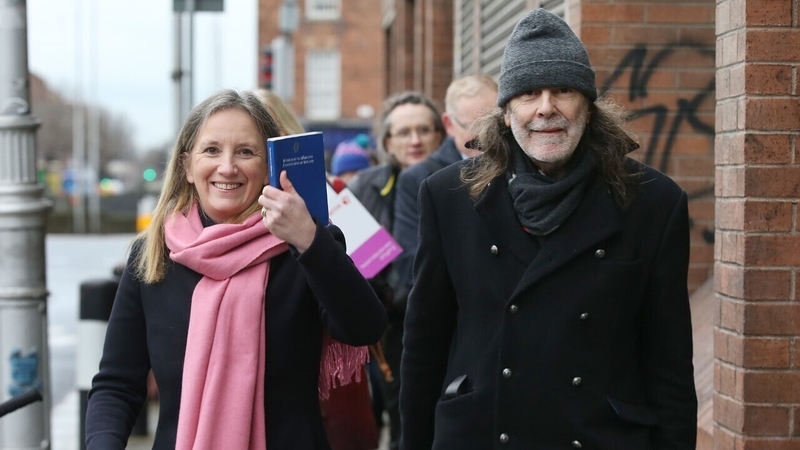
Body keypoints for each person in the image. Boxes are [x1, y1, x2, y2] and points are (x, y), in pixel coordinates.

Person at [400, 8, 697, 450]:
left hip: (599, 436)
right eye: (528, 93)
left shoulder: (652, 201)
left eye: (563, 90)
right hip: (482, 434)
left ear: (589, 106)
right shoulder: (449, 196)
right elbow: (424, 342)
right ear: (505, 112)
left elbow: (668, 360)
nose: (546, 108)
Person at [84, 89, 387, 450]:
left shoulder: (305, 245)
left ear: (267, 167)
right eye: (211, 150)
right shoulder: (152, 256)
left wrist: (309, 239)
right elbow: (117, 385)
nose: (227, 167)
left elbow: (364, 327)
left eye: (245, 151)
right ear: (187, 167)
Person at [348, 91, 445, 450]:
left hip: (450, 325)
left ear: (441, 133)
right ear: (388, 141)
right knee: (403, 422)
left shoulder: (461, 179)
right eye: (404, 132)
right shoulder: (366, 187)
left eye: (424, 129)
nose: (415, 140)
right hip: (389, 331)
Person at [392, 74, 498, 305]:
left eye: (493, 123)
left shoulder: (515, 164)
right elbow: (409, 262)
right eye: (474, 126)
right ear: (449, 124)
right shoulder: (419, 179)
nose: (486, 135)